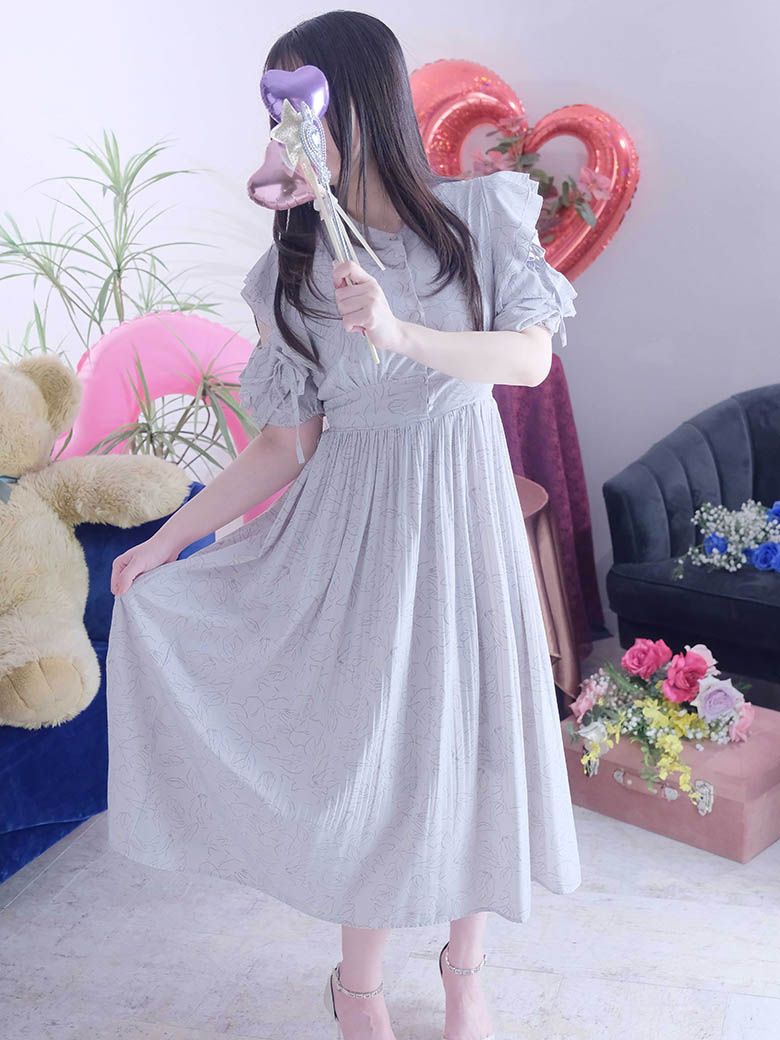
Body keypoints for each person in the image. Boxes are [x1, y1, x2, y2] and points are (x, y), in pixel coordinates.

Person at [106, 11, 582, 1040]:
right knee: (378, 758)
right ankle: (358, 987)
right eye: (276, 109)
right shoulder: (292, 268)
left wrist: (401, 331)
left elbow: (528, 358)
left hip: (464, 518)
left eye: (304, 103)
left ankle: (463, 969)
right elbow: (285, 446)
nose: (290, 130)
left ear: (364, 99)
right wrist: (169, 539)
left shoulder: (480, 214)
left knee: (476, 745)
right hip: (357, 537)